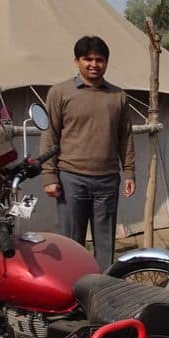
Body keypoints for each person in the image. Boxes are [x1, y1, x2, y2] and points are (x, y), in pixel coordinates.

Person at [40, 35, 135, 271]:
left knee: (105, 244)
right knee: (71, 243)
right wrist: (49, 176)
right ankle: (71, 293)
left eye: (100, 60)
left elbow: (126, 136)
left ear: (106, 62)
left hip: (107, 178)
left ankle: (102, 292)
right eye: (88, 59)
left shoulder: (118, 96)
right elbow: (50, 134)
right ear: (76, 61)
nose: (94, 64)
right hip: (71, 177)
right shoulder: (60, 92)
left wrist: (130, 172)